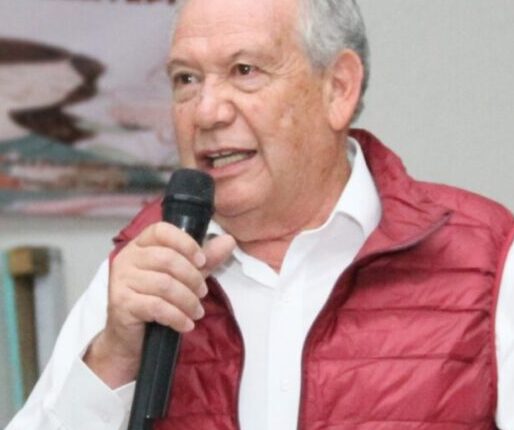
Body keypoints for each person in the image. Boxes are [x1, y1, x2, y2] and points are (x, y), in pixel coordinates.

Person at [7, 0, 514, 429]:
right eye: (186, 79)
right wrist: (114, 356)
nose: (207, 112)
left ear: (338, 88)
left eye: (244, 71)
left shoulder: (486, 259)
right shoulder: (144, 263)